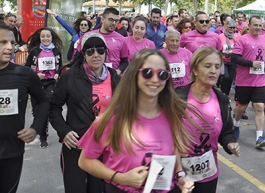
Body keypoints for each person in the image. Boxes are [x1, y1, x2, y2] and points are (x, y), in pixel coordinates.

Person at [77, 49, 196, 193]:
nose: (155, 79)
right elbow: (85, 161)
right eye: (147, 72)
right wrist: (120, 178)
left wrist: (179, 176)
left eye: (162, 74)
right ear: (134, 75)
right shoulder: (112, 119)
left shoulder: (173, 116)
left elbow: (173, 150)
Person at [50, 32, 121, 193]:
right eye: (90, 51)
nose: (96, 55)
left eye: (100, 51)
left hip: (105, 148)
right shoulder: (70, 76)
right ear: (83, 54)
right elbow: (54, 107)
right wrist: (64, 131)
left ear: (106, 53)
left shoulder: (114, 77)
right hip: (76, 146)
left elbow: (123, 110)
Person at [174, 47, 240, 193]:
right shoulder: (178, 98)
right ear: (195, 70)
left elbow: (226, 132)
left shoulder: (221, 99)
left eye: (217, 67)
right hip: (178, 172)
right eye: (207, 66)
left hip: (207, 173)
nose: (213, 71)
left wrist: (230, 143)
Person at [0, 25, 50, 193]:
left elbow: (43, 100)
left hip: (11, 152)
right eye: (3, 42)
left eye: (12, 42)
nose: (9, 47)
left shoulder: (24, 74)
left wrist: (35, 128)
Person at [231, 15, 265, 148]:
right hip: (244, 81)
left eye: (260, 25)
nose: (258, 28)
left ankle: (259, 137)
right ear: (249, 25)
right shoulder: (242, 40)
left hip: (260, 80)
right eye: (255, 25)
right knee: (241, 107)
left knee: (259, 107)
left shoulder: (264, 40)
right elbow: (234, 58)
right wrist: (250, 64)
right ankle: (236, 124)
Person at [25, 27, 63, 148]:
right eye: (43, 36)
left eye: (48, 36)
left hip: (50, 84)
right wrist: (36, 75)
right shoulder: (35, 51)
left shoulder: (56, 52)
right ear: (40, 38)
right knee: (37, 112)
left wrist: (58, 74)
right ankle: (39, 126)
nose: (45, 38)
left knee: (45, 109)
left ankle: (43, 137)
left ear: (52, 38)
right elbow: (27, 67)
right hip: (37, 84)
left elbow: (60, 66)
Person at [75, 7, 129, 75]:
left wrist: (118, 71)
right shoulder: (88, 36)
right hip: (89, 77)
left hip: (112, 78)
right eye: (111, 19)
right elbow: (77, 58)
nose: (113, 23)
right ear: (102, 19)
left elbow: (125, 61)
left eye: (116, 20)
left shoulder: (121, 39)